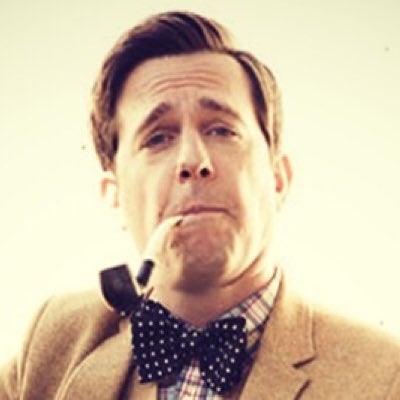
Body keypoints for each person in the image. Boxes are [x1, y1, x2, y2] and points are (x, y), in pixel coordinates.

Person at [1, 10, 400, 400]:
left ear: (278, 178)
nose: (193, 160)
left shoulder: (386, 376)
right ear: (115, 192)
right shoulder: (53, 340)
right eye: (158, 138)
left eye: (222, 130)